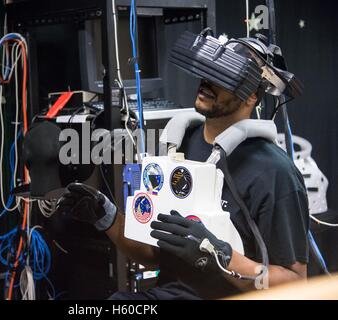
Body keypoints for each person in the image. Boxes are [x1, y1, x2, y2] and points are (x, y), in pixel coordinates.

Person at [56, 37, 310, 300]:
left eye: (225, 77)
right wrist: (107, 218)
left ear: (252, 96)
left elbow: (294, 285)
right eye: (208, 70)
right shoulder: (179, 146)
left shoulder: (275, 172)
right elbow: (153, 254)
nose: (207, 82)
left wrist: (221, 255)